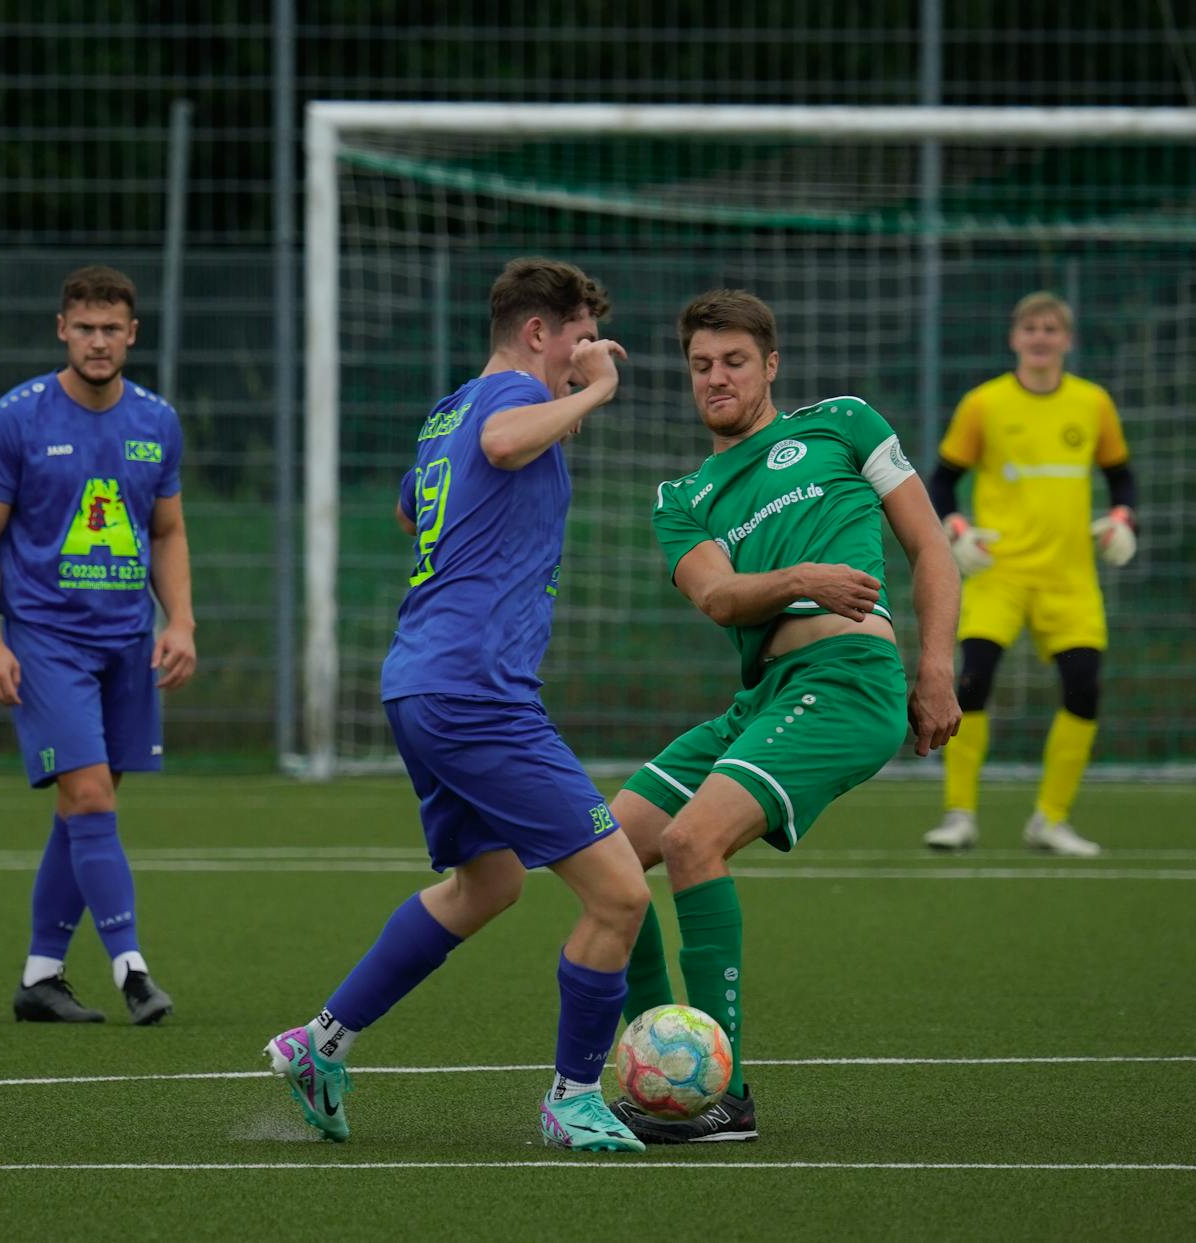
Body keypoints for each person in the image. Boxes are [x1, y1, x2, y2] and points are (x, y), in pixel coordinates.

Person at [263, 257, 652, 1153]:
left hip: (422, 681)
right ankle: (574, 1098)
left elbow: (415, 509)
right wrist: (595, 394)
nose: (589, 354)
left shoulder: (450, 410)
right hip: (477, 691)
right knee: (622, 893)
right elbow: (507, 446)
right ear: (536, 333)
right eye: (580, 336)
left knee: (489, 882)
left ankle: (320, 1043)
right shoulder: (501, 410)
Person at [603, 289, 962, 1143]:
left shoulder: (844, 423)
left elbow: (931, 547)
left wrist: (938, 667)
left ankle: (724, 1097)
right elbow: (721, 598)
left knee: (691, 842)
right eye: (700, 365)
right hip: (763, 695)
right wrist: (805, 577)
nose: (716, 378)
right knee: (605, 855)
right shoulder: (681, 496)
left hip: (845, 681)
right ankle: (674, 1069)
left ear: (770, 364)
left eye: (733, 361)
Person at [0, 264, 196, 1025]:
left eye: (111, 328)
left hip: (126, 640)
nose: (98, 342)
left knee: (83, 806)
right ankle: (133, 969)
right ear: (62, 330)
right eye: (84, 328)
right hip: (45, 640)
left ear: (133, 333)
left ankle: (40, 976)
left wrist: (180, 622)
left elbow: (167, 530)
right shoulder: (17, 418)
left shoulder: (157, 420)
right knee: (89, 795)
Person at [923, 291, 1138, 857]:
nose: (1041, 338)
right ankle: (959, 814)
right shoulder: (984, 405)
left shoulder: (1093, 404)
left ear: (1067, 340)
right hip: (1000, 574)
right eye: (1031, 328)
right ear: (1015, 338)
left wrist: (1121, 520)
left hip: (1070, 579)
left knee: (1084, 688)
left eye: (1051, 329)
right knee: (972, 681)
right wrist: (957, 531)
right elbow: (941, 480)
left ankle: (1051, 819)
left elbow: (1122, 477)